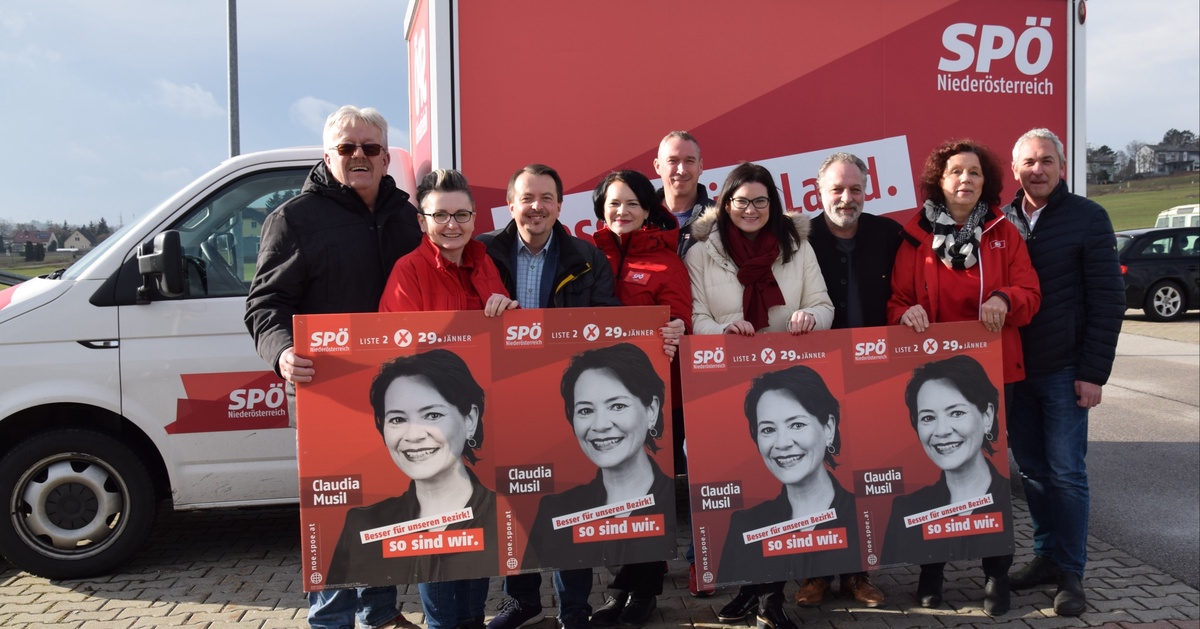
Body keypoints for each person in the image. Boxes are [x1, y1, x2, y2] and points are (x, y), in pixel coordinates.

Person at [245, 105, 422, 629]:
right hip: (327, 392)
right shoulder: (294, 219)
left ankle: (381, 613)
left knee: (388, 503)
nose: (359, 157)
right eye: (347, 148)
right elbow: (265, 304)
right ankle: (330, 619)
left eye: (369, 148)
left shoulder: (408, 217)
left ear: (387, 157)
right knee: (334, 510)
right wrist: (280, 352)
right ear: (328, 156)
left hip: (396, 393)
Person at [887, 138, 1041, 616]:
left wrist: (1006, 299)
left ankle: (996, 573)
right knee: (936, 472)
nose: (966, 180)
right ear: (940, 179)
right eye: (956, 171)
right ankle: (932, 569)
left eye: (974, 173)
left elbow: (1030, 294)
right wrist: (905, 312)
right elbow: (894, 301)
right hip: (932, 376)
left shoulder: (1003, 232)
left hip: (993, 375)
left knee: (991, 473)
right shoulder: (913, 236)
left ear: (985, 183)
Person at [686, 162, 833, 629]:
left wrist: (811, 318)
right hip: (724, 384)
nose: (750, 210)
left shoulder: (798, 248)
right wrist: (724, 329)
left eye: (760, 201)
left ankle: (769, 596)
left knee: (776, 486)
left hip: (784, 389)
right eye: (741, 201)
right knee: (741, 488)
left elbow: (823, 304)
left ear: (773, 205)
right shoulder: (701, 254)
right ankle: (751, 587)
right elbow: (695, 318)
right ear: (726, 205)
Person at [371, 169, 517, 629]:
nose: (451, 225)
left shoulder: (486, 260)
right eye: (440, 215)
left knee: (474, 535)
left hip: (474, 425)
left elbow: (499, 339)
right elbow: (399, 352)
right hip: (432, 429)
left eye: (461, 214)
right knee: (438, 538)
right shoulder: (408, 272)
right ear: (422, 220)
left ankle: (471, 620)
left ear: (474, 217)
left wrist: (506, 311)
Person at [480, 164, 621, 629]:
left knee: (571, 501)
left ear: (560, 206)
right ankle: (521, 601)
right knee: (510, 502)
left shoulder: (586, 256)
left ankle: (574, 608)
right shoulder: (482, 252)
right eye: (526, 197)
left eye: (546, 198)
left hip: (567, 400)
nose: (535, 207)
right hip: (502, 398)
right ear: (510, 203)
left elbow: (607, 324)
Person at [1002, 128, 1125, 617]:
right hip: (1014, 372)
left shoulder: (1089, 218)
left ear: (1062, 166)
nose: (1038, 169)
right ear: (1015, 169)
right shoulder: (1000, 221)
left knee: (1068, 474)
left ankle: (1072, 573)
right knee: (1032, 472)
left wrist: (1093, 373)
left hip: (1064, 371)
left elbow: (1108, 302)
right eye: (1029, 161)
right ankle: (1046, 558)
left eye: (1047, 160)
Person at [325, 350, 499, 628]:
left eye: (432, 414)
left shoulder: (504, 511)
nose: (414, 435)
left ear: (470, 420)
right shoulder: (363, 522)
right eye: (397, 419)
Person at [795, 152, 901, 608]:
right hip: (814, 376)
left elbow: (909, 292)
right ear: (819, 192)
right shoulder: (799, 237)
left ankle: (858, 574)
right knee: (817, 471)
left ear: (867, 191)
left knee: (862, 475)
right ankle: (816, 574)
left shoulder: (890, 234)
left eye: (855, 189)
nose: (846, 197)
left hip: (874, 375)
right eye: (837, 189)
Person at [585, 172, 689, 628]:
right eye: (613, 203)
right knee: (614, 491)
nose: (621, 211)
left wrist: (677, 328)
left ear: (648, 209)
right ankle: (622, 589)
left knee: (649, 490)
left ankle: (643, 591)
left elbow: (680, 317)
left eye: (631, 203)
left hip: (656, 398)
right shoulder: (587, 254)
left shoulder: (668, 262)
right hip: (603, 398)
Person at [522, 344, 676, 628]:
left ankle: (641, 595)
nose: (601, 425)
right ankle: (616, 596)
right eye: (585, 410)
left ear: (651, 409)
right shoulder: (557, 508)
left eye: (617, 405)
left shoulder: (666, 496)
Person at [882, 356, 1013, 604]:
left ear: (987, 416)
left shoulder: (1003, 493)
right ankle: (931, 574)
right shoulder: (905, 509)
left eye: (956, 413)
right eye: (928, 418)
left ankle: (997, 576)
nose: (941, 431)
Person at [717, 366, 862, 589]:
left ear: (828, 428)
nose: (782, 443)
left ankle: (854, 579)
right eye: (767, 430)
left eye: (797, 424)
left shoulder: (863, 512)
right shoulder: (745, 525)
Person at [653, 131, 709, 257]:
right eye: (673, 161)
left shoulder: (721, 220)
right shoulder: (642, 220)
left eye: (689, 161)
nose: (682, 170)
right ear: (657, 166)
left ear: (700, 166)